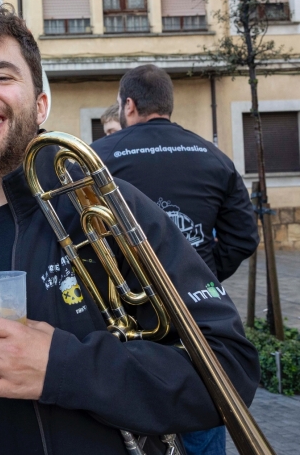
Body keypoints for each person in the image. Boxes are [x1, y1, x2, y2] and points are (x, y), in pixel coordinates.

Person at [0, 3, 260, 454]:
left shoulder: (107, 209)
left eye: (1, 76)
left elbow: (230, 367)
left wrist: (64, 367)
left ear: (40, 105)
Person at [90, 64, 260, 454]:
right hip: (197, 317)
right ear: (168, 104)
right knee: (202, 415)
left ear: (127, 104)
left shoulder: (97, 159)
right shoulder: (214, 157)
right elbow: (243, 237)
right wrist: (202, 275)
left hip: (126, 320)